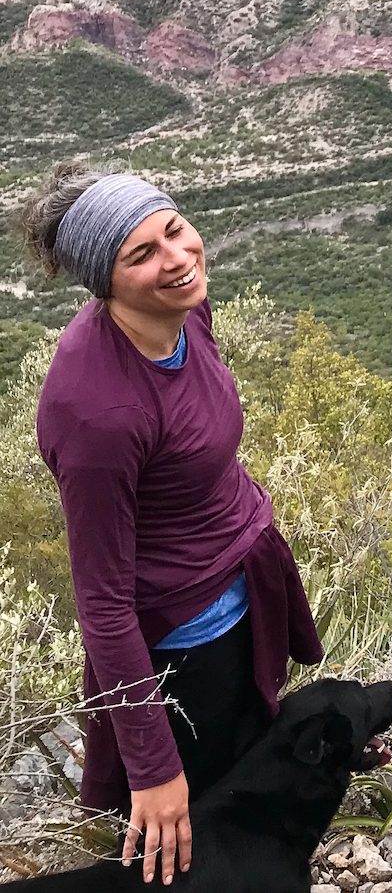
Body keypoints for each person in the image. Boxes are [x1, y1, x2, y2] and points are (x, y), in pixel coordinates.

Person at [19, 165, 323, 886]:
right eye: (142, 253)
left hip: (245, 591)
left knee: (243, 831)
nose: (178, 257)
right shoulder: (95, 410)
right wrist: (154, 767)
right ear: (107, 282)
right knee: (188, 858)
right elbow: (102, 600)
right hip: (183, 654)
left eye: (175, 228)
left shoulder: (188, 311)